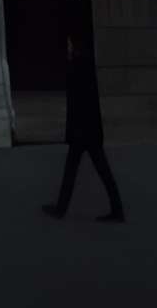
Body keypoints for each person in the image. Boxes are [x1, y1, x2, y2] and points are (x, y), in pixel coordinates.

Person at [41, 18, 124, 224]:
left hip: (82, 131)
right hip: (89, 131)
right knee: (97, 171)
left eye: (69, 43)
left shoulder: (79, 66)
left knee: (81, 171)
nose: (67, 46)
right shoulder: (84, 63)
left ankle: (61, 209)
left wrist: (74, 132)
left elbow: (79, 104)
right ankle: (115, 210)